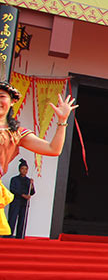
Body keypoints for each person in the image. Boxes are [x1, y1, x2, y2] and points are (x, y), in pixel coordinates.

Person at [0, 81, 77, 236]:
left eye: (1, 96)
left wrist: (62, 121)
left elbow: (53, 149)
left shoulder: (17, 134)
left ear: (12, 101)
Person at [6, 158, 35, 238]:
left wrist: (32, 186)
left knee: (22, 221)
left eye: (26, 169)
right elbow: (12, 189)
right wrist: (23, 195)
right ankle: (8, 237)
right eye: (22, 169)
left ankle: (20, 237)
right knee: (12, 220)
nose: (24, 170)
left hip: (24, 203)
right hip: (16, 202)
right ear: (19, 169)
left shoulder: (29, 180)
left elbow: (32, 192)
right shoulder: (14, 179)